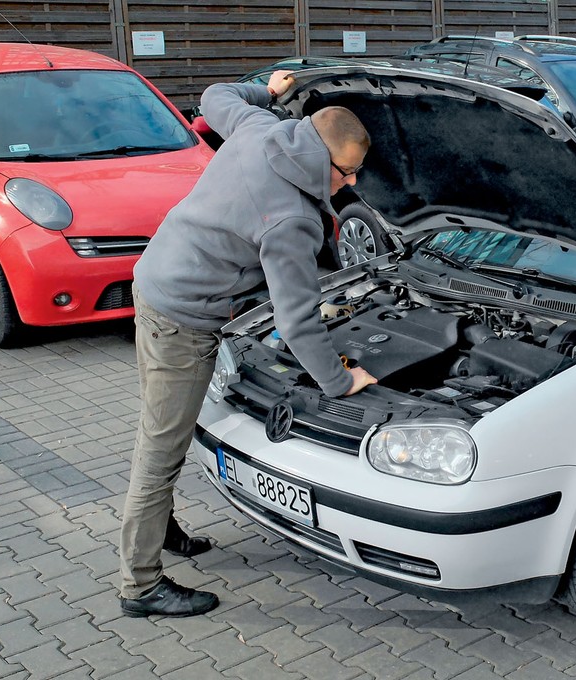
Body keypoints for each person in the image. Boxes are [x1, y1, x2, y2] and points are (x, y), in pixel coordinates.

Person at [118, 70, 377, 618]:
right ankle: (139, 586)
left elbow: (214, 95)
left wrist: (271, 88)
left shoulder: (261, 127)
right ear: (323, 160)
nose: (351, 184)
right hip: (183, 319)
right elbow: (298, 320)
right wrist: (341, 378)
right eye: (348, 172)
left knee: (163, 428)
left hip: (154, 282)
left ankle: (162, 535)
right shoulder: (292, 218)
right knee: (160, 452)